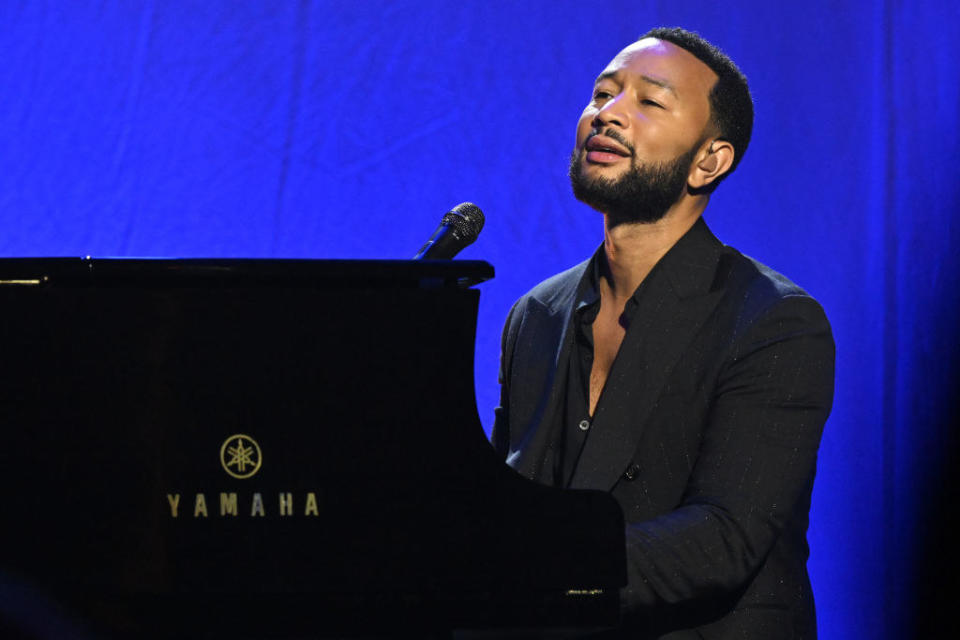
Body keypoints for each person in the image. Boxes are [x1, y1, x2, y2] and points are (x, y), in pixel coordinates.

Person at [492, 27, 835, 639]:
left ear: (710, 159)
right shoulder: (536, 314)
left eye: (649, 102)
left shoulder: (775, 322)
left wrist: (534, 567)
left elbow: (724, 536)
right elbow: (506, 498)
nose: (608, 114)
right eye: (601, 94)